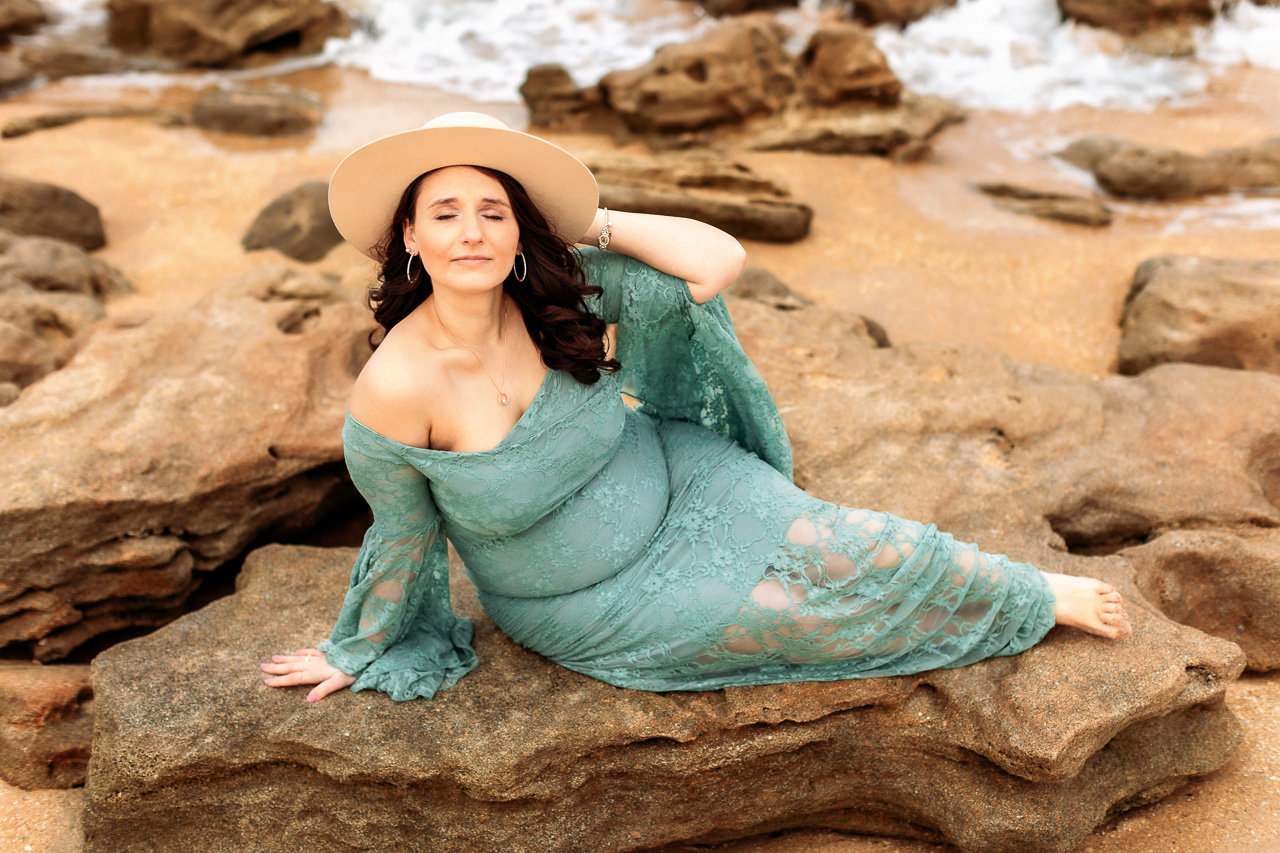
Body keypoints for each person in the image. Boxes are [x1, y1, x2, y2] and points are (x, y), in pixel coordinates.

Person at [260, 112, 1131, 704]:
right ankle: (1010, 608)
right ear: (409, 236)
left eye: (494, 211)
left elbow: (715, 261)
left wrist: (591, 221)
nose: (472, 232)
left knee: (853, 546)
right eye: (445, 214)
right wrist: (361, 644)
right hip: (586, 598)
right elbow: (403, 536)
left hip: (680, 477)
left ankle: (1030, 591)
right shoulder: (396, 388)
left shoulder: (561, 292)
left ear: (522, 230)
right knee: (797, 623)